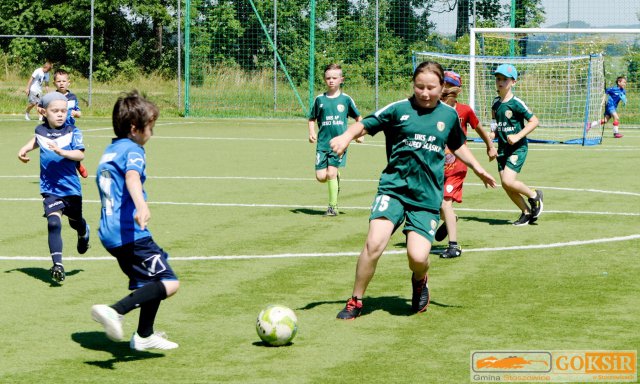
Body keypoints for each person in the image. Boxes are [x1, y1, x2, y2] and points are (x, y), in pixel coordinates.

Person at [330, 61, 497, 320]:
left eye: (431, 87)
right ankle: (356, 300)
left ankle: (420, 280)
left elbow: (458, 144)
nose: (425, 93)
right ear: (413, 85)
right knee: (374, 243)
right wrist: (345, 137)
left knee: (418, 257)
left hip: (426, 195)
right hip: (394, 188)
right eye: (420, 87)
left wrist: (477, 167)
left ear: (442, 87)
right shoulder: (398, 109)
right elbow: (365, 124)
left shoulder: (449, 115)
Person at [91, 91, 180, 351]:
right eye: (150, 127)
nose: (152, 133)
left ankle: (144, 335)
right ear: (134, 129)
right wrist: (141, 205)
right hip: (129, 232)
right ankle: (115, 311)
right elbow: (131, 178)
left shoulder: (111, 150)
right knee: (169, 282)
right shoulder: (133, 150)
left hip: (110, 232)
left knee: (149, 282)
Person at [17, 92, 91, 283]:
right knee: (53, 223)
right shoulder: (40, 130)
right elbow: (37, 140)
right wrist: (24, 149)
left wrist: (62, 151)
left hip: (71, 189)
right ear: (43, 111)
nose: (60, 114)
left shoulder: (73, 132)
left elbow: (80, 155)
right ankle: (58, 264)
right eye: (55, 111)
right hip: (50, 188)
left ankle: (83, 232)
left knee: (75, 222)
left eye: (63, 111)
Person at [436, 71, 498, 258]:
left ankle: (453, 246)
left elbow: (479, 128)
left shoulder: (464, 110)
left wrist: (490, 146)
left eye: (447, 84)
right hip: (437, 163)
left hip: (458, 164)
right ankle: (451, 220)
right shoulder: (434, 109)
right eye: (442, 83)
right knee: (438, 205)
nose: (443, 88)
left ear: (457, 90)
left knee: (446, 202)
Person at [491, 64, 543, 226]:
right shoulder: (495, 104)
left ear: (513, 82)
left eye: (504, 79)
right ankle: (526, 212)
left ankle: (534, 195)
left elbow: (534, 121)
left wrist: (518, 135)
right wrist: (490, 139)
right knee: (506, 186)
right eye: (498, 79)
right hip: (502, 150)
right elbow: (495, 125)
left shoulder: (516, 103)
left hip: (517, 148)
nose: (500, 82)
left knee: (508, 181)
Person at [308, 63, 363, 216]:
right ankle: (335, 178)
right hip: (322, 144)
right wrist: (311, 132)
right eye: (328, 78)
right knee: (321, 177)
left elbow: (359, 117)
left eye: (334, 78)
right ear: (324, 80)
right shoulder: (319, 99)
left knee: (331, 172)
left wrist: (360, 134)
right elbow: (312, 118)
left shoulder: (346, 100)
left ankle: (333, 207)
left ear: (341, 79)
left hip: (340, 144)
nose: (331, 80)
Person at [39, 69, 89, 178]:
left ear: (68, 82)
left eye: (64, 81)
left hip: (69, 128)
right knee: (55, 150)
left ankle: (78, 164)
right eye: (58, 81)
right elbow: (40, 107)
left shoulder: (73, 97)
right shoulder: (51, 97)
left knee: (71, 149)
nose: (61, 83)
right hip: (54, 128)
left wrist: (76, 113)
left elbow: (79, 113)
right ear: (54, 83)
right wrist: (42, 111)